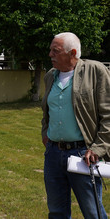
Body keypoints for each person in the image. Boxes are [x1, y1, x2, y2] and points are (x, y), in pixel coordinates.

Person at [41, 32, 110, 218]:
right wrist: (46, 134)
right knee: (56, 212)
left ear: (72, 53)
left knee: (92, 212)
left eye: (55, 51)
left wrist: (98, 148)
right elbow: (46, 112)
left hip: (83, 156)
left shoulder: (95, 71)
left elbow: (108, 114)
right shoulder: (50, 76)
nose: (50, 55)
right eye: (50, 50)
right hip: (53, 154)